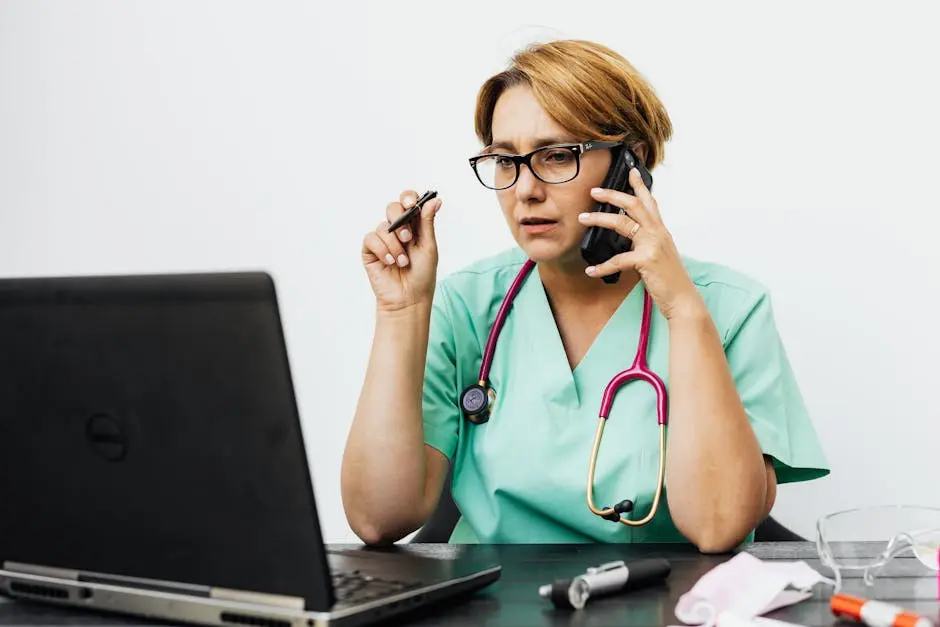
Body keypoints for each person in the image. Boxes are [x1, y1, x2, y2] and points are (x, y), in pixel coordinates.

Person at [341, 39, 829, 552]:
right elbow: (378, 518)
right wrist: (402, 311)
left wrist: (684, 313)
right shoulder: (467, 305)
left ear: (631, 165)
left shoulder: (730, 307)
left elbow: (718, 527)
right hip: (487, 603)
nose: (525, 190)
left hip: (663, 603)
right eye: (505, 161)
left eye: (556, 157)